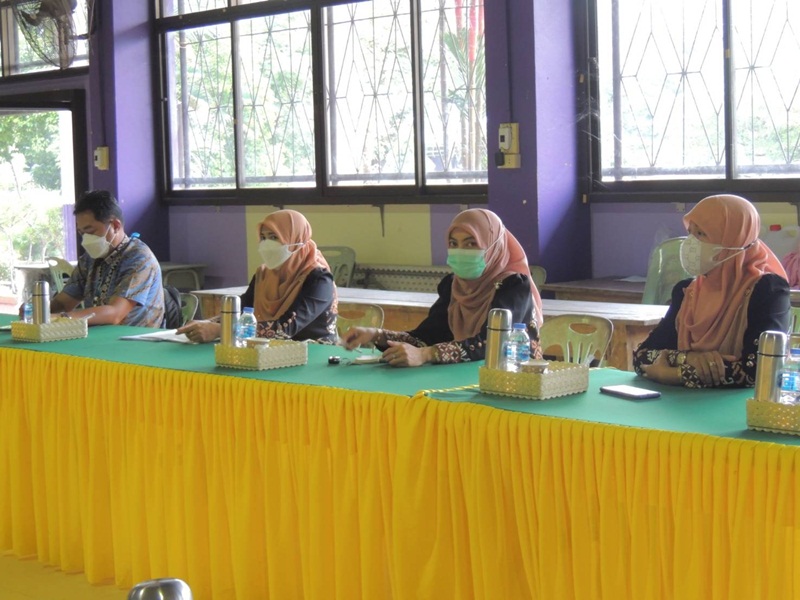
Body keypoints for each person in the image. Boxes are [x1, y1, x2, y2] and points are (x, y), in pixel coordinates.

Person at [341, 208, 543, 367]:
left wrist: (426, 354)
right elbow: (426, 337)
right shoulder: (453, 286)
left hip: (514, 382)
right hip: (461, 380)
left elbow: (491, 343)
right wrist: (376, 335)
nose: (460, 251)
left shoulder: (513, 286)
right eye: (454, 244)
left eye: (471, 244)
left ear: (494, 246)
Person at [634, 194, 790, 388]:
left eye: (701, 234)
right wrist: (687, 358)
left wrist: (677, 374)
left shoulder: (768, 290)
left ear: (734, 238)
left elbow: (761, 369)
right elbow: (642, 356)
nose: (690, 243)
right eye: (690, 232)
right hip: (682, 403)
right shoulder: (686, 292)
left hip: (743, 405)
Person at [178, 209, 338, 343]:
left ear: (296, 238)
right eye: (263, 238)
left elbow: (285, 329)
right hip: (267, 353)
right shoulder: (264, 274)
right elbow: (244, 309)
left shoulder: (319, 279)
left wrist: (221, 330)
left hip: (314, 354)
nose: (267, 244)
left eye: (274, 237)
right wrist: (206, 323)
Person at [47, 190, 165, 327]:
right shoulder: (89, 259)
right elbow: (63, 303)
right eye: (82, 233)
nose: (86, 239)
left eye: (90, 231)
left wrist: (61, 318)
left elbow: (115, 314)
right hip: (99, 335)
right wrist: (38, 313)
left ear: (115, 226)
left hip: (135, 338)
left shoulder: (139, 258)